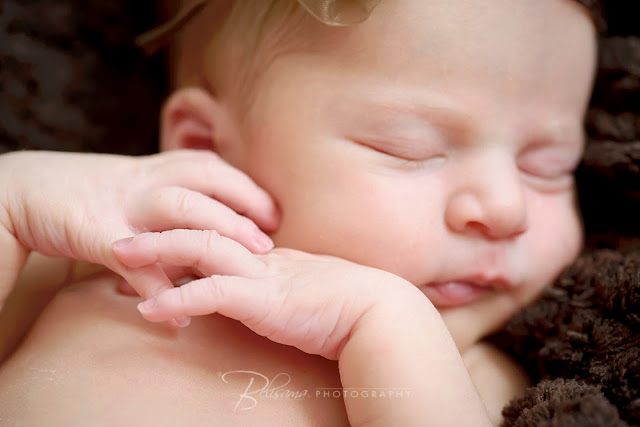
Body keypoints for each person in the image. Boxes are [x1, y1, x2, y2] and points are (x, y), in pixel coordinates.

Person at [0, 0, 597, 425]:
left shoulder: (463, 369)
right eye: (407, 148)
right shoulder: (111, 265)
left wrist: (389, 322)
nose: (505, 207)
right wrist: (13, 193)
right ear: (208, 147)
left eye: (548, 165)